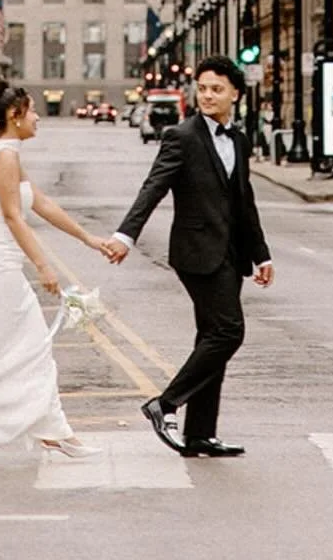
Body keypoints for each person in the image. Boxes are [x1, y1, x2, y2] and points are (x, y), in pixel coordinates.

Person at [0, 77, 118, 467]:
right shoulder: (4, 156)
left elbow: (40, 202)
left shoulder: (9, 153)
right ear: (14, 115)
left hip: (1, 266)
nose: (38, 117)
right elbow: (13, 217)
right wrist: (43, 266)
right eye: (33, 110)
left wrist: (88, 238)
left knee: (21, 349)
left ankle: (54, 433)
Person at [107, 55, 272, 459]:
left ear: (236, 93)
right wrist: (125, 235)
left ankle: (200, 435)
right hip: (196, 253)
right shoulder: (181, 136)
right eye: (203, 88)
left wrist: (261, 255)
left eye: (217, 89)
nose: (208, 95)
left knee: (210, 338)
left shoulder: (239, 140)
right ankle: (165, 404)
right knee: (228, 332)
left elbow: (244, 203)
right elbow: (154, 188)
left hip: (231, 255)